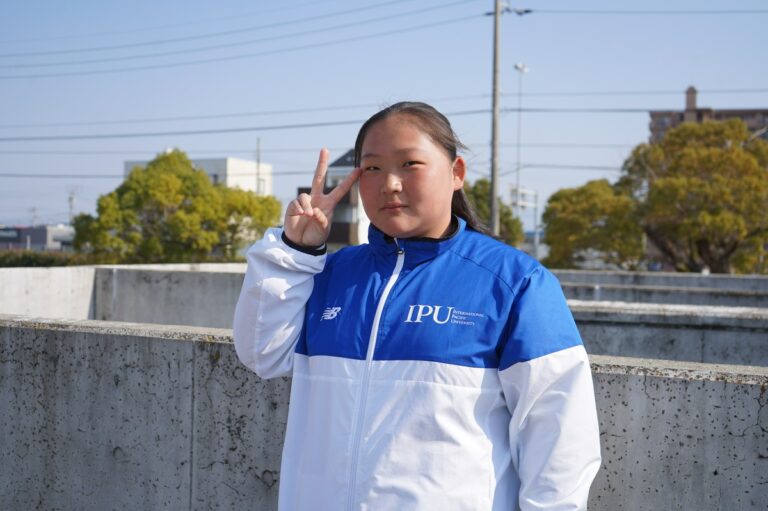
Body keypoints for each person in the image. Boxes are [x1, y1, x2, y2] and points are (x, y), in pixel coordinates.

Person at [233, 102, 601, 510]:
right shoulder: (329, 274)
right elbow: (261, 353)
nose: (389, 183)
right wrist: (294, 252)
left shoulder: (516, 282)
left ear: (456, 173)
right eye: (372, 168)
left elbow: (560, 437)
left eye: (409, 164)